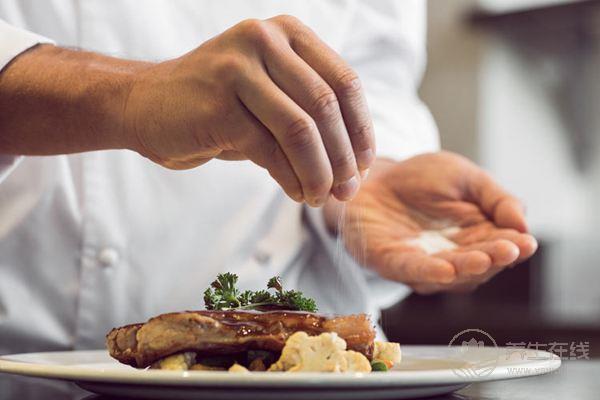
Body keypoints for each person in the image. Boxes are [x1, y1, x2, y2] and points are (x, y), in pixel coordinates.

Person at [0, 0, 537, 359]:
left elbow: (374, 75)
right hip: (19, 353)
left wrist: (361, 176)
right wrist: (132, 96)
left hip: (300, 371)